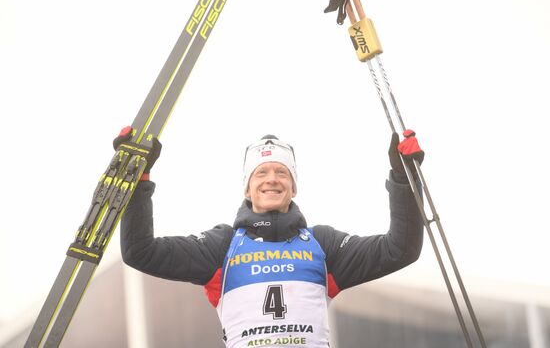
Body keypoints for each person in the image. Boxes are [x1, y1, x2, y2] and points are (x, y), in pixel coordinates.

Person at [118, 129, 424, 347]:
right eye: (261, 173)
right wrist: (138, 182)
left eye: (282, 172)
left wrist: (403, 179)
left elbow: (400, 249)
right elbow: (140, 251)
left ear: (293, 186)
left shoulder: (323, 244)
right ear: (247, 188)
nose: (272, 179)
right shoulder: (221, 246)